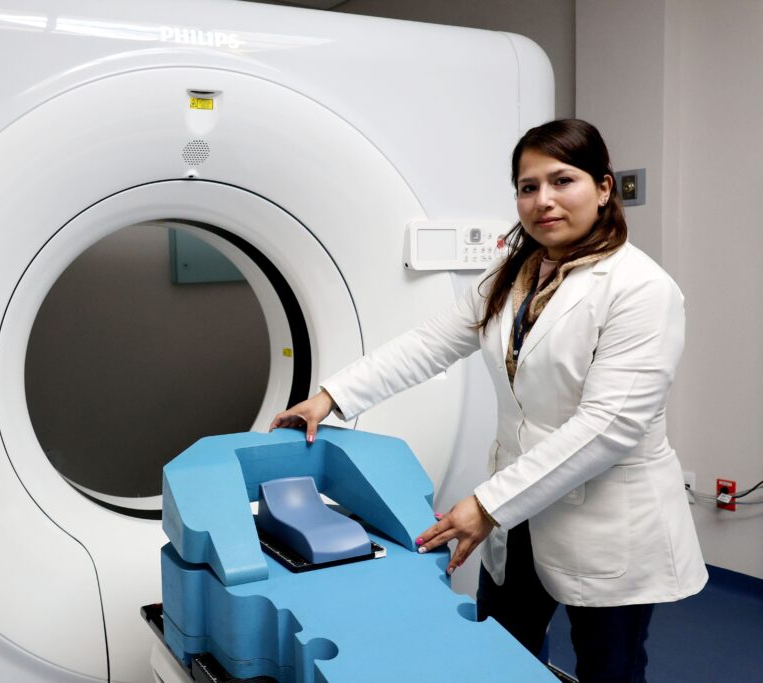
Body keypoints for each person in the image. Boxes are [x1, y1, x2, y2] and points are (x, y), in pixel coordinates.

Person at [271, 119, 707, 682]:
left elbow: (610, 426)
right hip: (517, 513)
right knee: (499, 653)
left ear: (603, 188)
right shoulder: (513, 273)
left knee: (609, 668)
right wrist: (331, 396)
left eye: (562, 181)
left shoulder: (641, 289)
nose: (543, 200)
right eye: (528, 187)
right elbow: (429, 344)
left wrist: (486, 505)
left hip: (603, 521)